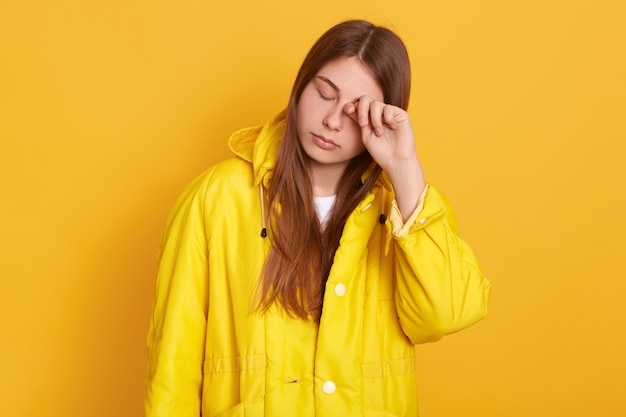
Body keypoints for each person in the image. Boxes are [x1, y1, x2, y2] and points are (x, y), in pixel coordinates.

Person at [144, 19, 491, 417]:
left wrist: (404, 167)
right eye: (324, 94)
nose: (332, 121)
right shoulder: (216, 198)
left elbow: (444, 315)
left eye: (356, 111)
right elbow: (173, 363)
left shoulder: (406, 209)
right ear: (301, 86)